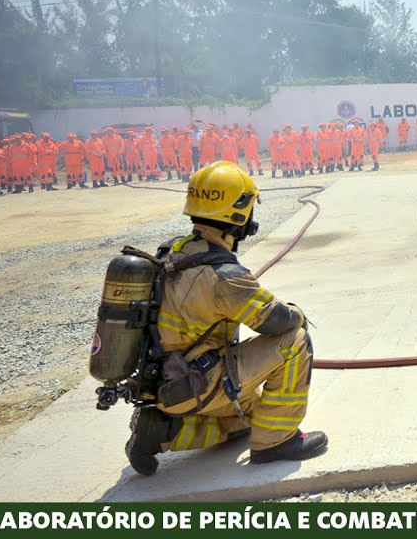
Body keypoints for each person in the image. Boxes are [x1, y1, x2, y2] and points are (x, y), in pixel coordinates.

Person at [123, 161, 327, 475]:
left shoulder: (171, 253)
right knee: (295, 341)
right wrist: (297, 313)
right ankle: (275, 442)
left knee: (250, 417)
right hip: (199, 382)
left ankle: (162, 433)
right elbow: (277, 321)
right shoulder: (223, 276)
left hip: (163, 385)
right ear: (237, 213)